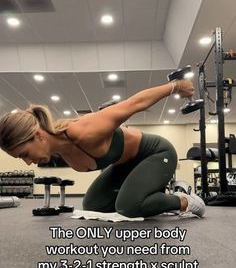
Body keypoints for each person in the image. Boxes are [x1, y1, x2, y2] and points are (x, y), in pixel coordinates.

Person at [0, 79, 205, 218]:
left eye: (25, 154)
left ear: (37, 135)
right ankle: (152, 196)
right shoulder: (60, 151)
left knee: (128, 206)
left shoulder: (84, 131)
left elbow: (136, 103)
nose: (28, 162)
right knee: (93, 206)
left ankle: (183, 200)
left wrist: (176, 86)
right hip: (126, 165)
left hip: (157, 153)